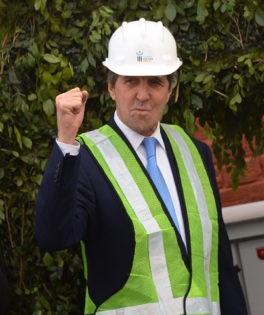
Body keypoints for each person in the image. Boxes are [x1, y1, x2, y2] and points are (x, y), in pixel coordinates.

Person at [35, 18, 248, 315]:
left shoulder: (194, 152)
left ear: (171, 90)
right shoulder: (84, 158)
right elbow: (52, 236)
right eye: (130, 81)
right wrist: (65, 141)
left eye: (155, 82)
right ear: (111, 88)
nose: (143, 95)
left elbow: (220, 264)